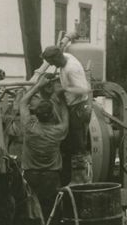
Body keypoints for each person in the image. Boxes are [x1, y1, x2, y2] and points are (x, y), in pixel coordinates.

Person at [18, 76, 69, 225]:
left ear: (36, 115)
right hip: (50, 178)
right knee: (51, 215)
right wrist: (59, 97)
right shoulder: (58, 131)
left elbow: (23, 102)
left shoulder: (29, 128)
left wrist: (37, 86)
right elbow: (65, 116)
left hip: (30, 177)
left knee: (32, 216)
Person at [39, 45, 92, 184]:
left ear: (57, 57)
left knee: (76, 146)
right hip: (72, 104)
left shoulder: (71, 68)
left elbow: (84, 89)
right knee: (68, 144)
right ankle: (67, 176)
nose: (51, 65)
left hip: (79, 107)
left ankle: (81, 178)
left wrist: (63, 89)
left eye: (51, 62)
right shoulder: (66, 57)